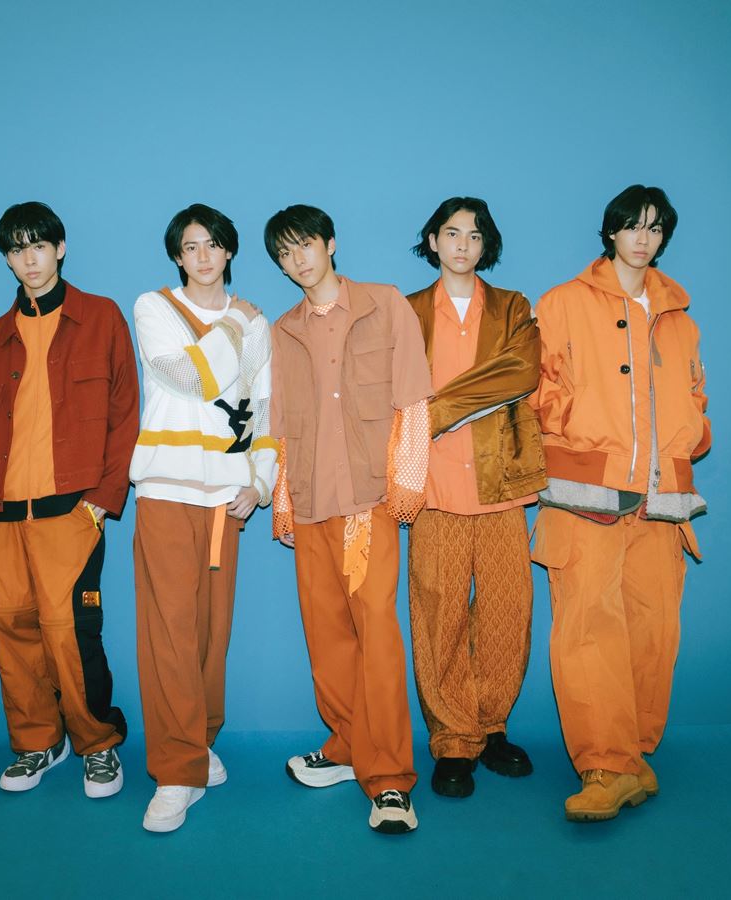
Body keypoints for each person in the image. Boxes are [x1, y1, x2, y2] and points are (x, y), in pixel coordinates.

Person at [530, 185, 709, 822]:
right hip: (588, 494)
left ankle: (634, 755)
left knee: (653, 628)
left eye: (655, 228)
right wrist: (577, 434)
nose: (642, 237)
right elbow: (540, 391)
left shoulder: (681, 318)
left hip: (663, 497)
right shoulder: (562, 302)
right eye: (632, 225)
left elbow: (696, 396)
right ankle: (604, 765)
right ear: (610, 231)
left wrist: (689, 437)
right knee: (587, 629)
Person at [266, 204, 432, 834]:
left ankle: (389, 780)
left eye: (305, 245)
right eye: (285, 254)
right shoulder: (284, 330)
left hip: (368, 504)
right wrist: (285, 502)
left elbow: (413, 402)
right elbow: (282, 426)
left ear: (330, 243)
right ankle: (345, 745)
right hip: (311, 503)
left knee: (377, 637)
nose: (298, 260)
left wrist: (406, 485)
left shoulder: (384, 304)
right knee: (326, 635)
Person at [0, 202, 139, 800]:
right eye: (17, 250)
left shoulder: (100, 317)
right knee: (9, 626)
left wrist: (102, 499)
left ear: (60, 248)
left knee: (70, 631)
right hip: (5, 512)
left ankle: (97, 742)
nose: (30, 259)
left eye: (39, 245)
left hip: (71, 509)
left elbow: (126, 413)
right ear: (7, 260)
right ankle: (38, 740)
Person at [129, 203, 278, 832]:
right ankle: (176, 770)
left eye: (213, 245)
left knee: (211, 635)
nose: (203, 256)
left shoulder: (257, 324)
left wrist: (261, 480)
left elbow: (264, 406)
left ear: (228, 250)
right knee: (169, 633)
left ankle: (198, 740)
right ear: (177, 256)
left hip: (224, 496)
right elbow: (193, 378)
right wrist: (237, 322)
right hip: (166, 489)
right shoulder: (154, 307)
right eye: (191, 247)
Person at [404, 197, 546, 799]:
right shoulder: (408, 311)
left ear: (487, 245)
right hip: (433, 485)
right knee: (438, 615)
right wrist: (420, 415)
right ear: (433, 241)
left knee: (507, 612)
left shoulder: (512, 307)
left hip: (501, 482)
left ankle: (492, 728)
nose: (462, 244)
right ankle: (452, 740)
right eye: (452, 232)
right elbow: (393, 391)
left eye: (475, 234)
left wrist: (434, 409)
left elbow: (521, 372)